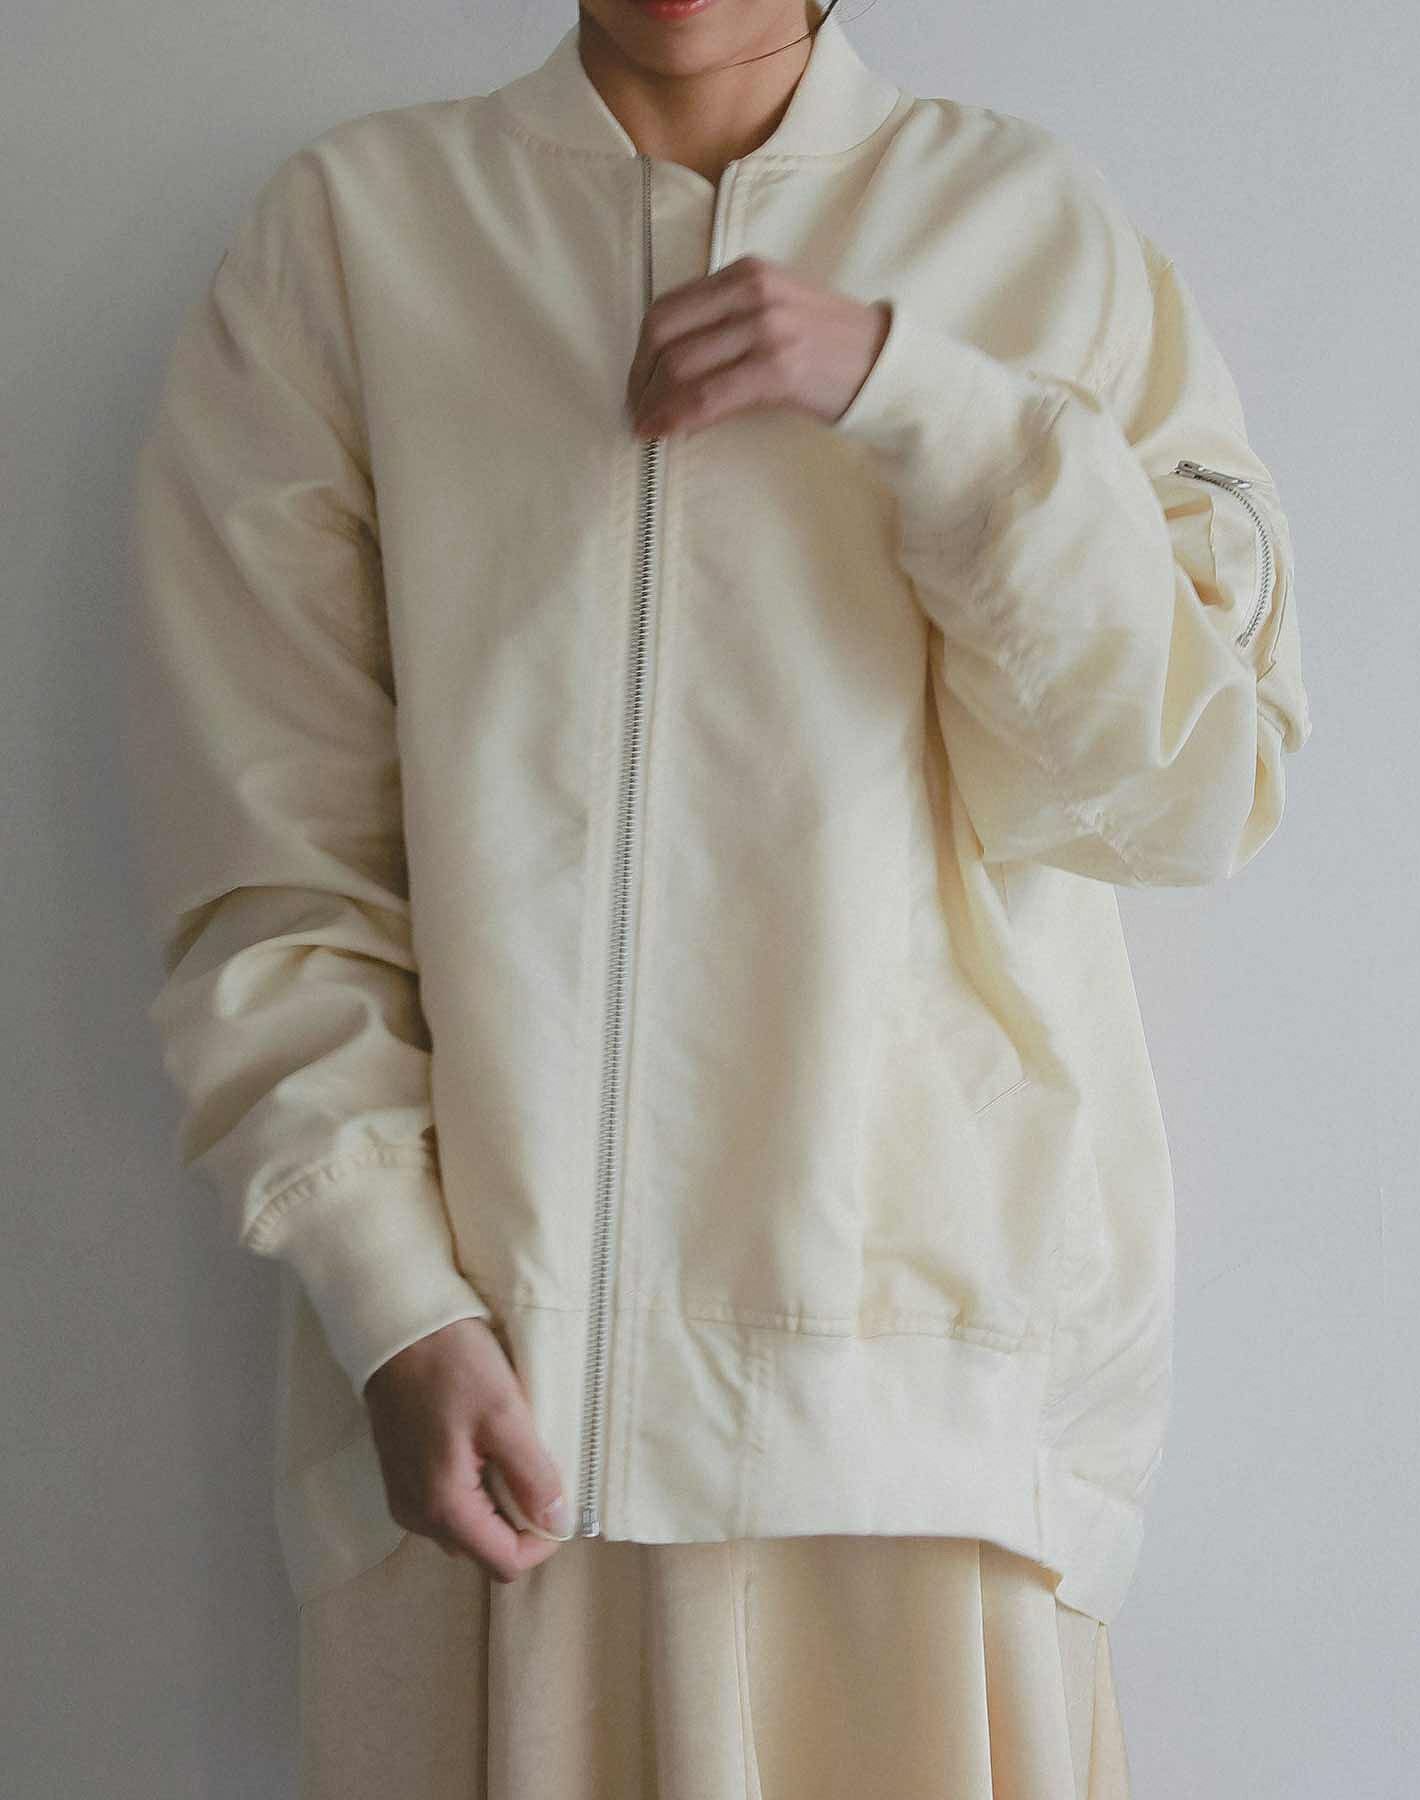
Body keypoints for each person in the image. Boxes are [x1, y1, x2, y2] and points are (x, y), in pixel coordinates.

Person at [125, 0, 1312, 1793]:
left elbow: (1189, 791)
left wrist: (923, 401)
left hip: (926, 1427)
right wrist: (393, 1294)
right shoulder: (356, 238)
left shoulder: (1034, 233)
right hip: (496, 1435)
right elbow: (267, 849)